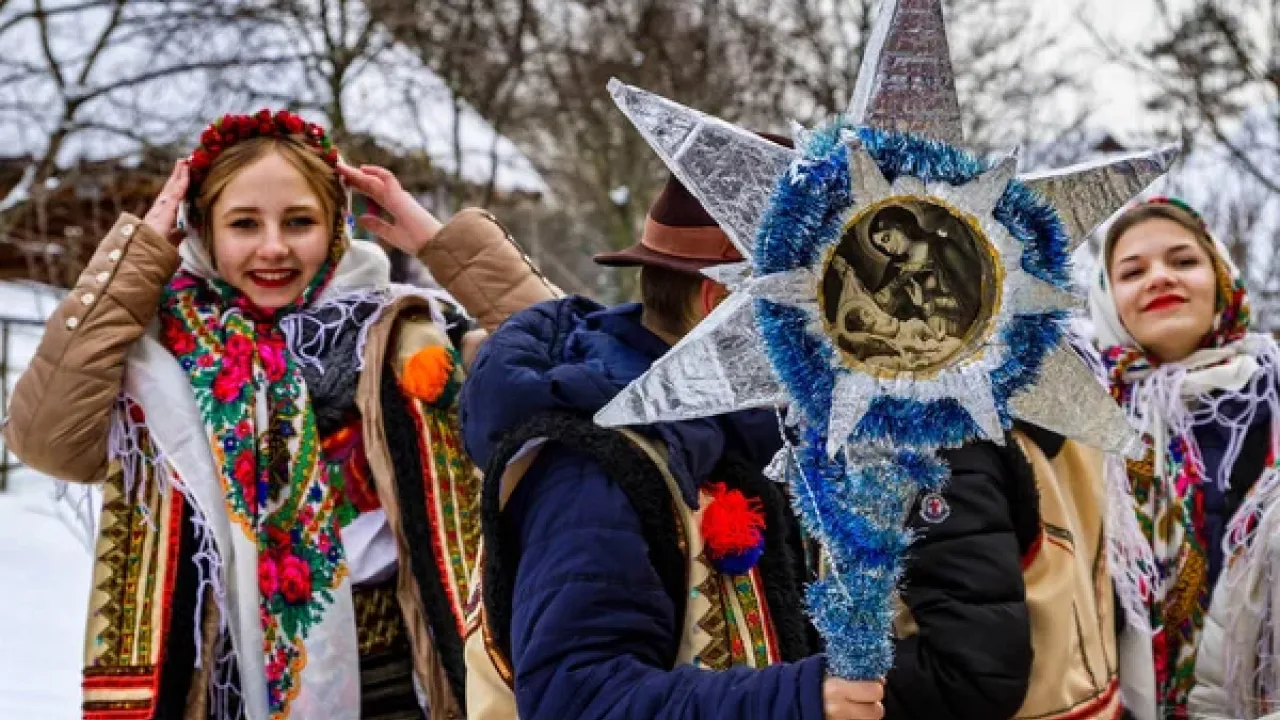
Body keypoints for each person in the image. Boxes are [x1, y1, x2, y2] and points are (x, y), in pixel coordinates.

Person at [458, 163, 1121, 720]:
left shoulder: (734, 423)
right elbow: (575, 697)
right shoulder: (595, 470)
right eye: (818, 292)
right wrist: (803, 696)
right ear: (718, 304)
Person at [3, 109, 558, 720]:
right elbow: (45, 439)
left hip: (403, 683)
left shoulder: (409, 335)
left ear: (337, 228)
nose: (274, 247)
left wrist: (442, 245)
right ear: (202, 230)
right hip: (219, 685)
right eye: (244, 223)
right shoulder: (156, 359)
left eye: (299, 221)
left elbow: (566, 374)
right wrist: (133, 262)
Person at [1088, 197, 1280, 720]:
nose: (1159, 278)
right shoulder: (1077, 430)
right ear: (1106, 298)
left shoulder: (1273, 402)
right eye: (1132, 271)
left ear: (1221, 278)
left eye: (1184, 261)